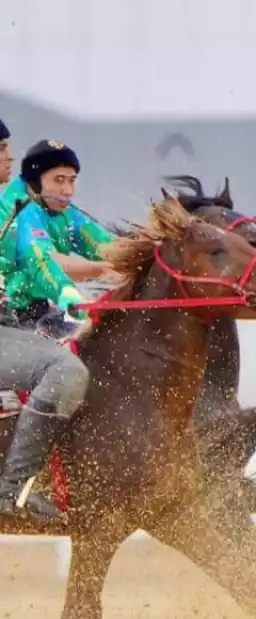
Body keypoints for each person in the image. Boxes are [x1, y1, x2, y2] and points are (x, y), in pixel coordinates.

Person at [0, 140, 122, 523]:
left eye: (72, 181)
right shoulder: (20, 208)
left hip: (35, 317)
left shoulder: (58, 209)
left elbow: (105, 245)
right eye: (59, 180)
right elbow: (40, 263)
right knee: (66, 372)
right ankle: (13, 492)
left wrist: (147, 256)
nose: (67, 190)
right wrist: (71, 295)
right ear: (36, 180)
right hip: (14, 322)